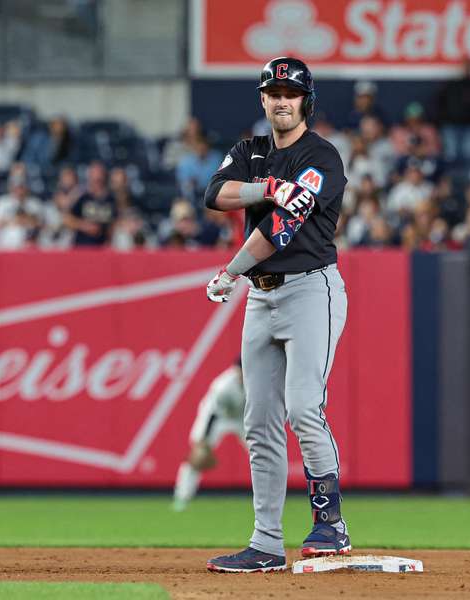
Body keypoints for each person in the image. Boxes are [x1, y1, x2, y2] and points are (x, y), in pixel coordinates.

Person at [204, 57, 350, 572]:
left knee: (304, 408)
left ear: (305, 100)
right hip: (262, 298)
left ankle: (330, 524)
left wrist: (230, 270)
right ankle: (266, 543)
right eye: (274, 92)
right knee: (258, 422)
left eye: (291, 92)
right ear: (263, 99)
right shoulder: (251, 151)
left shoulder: (322, 156)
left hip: (311, 289)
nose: (282, 100)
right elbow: (214, 194)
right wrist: (265, 187)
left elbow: (282, 231)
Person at [172, 359, 245, 511]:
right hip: (218, 418)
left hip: (242, 418)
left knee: (264, 454)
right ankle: (182, 497)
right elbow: (213, 414)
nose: (242, 374)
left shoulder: (258, 380)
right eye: (240, 370)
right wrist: (204, 441)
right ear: (235, 370)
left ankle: (273, 497)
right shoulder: (224, 387)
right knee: (197, 456)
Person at [434, 59, 470, 165]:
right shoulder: (451, 85)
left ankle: (469, 180)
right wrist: (443, 121)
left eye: (469, 67)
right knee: (450, 156)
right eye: (465, 66)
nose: (467, 69)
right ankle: (450, 180)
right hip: (451, 126)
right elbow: (440, 104)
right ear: (460, 67)